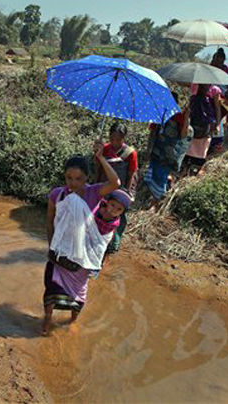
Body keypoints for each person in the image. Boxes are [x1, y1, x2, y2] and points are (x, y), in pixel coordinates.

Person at [42, 152, 122, 336]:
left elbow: (115, 183)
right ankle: (47, 318)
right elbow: (49, 221)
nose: (73, 182)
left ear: (87, 177)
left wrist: (101, 158)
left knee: (79, 293)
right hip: (60, 250)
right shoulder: (57, 195)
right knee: (51, 288)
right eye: (69, 177)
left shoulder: (94, 192)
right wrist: (51, 246)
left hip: (82, 255)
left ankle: (72, 321)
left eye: (78, 178)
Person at [95, 122, 138, 253]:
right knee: (101, 214)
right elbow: (98, 168)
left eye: (118, 140)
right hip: (105, 187)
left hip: (121, 190)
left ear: (124, 138)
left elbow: (131, 174)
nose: (114, 142)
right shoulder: (105, 149)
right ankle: (97, 239)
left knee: (118, 217)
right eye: (112, 139)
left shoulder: (130, 153)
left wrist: (127, 194)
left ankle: (113, 245)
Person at [143, 91, 193, 203]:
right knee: (155, 173)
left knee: (161, 174)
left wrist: (186, 118)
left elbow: (183, 135)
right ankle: (155, 196)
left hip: (168, 154)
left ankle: (159, 199)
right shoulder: (160, 113)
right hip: (157, 150)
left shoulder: (180, 117)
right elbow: (152, 131)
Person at [182, 84, 222, 176]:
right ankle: (190, 168)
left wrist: (218, 124)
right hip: (200, 126)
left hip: (202, 126)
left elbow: (217, 107)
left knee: (199, 147)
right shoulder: (195, 90)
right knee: (196, 147)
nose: (206, 88)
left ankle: (193, 168)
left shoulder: (213, 90)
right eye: (204, 87)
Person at [209, 89, 228, 153]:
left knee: (219, 135)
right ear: (227, 98)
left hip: (219, 120)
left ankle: (215, 146)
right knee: (212, 132)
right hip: (213, 118)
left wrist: (227, 122)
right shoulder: (220, 102)